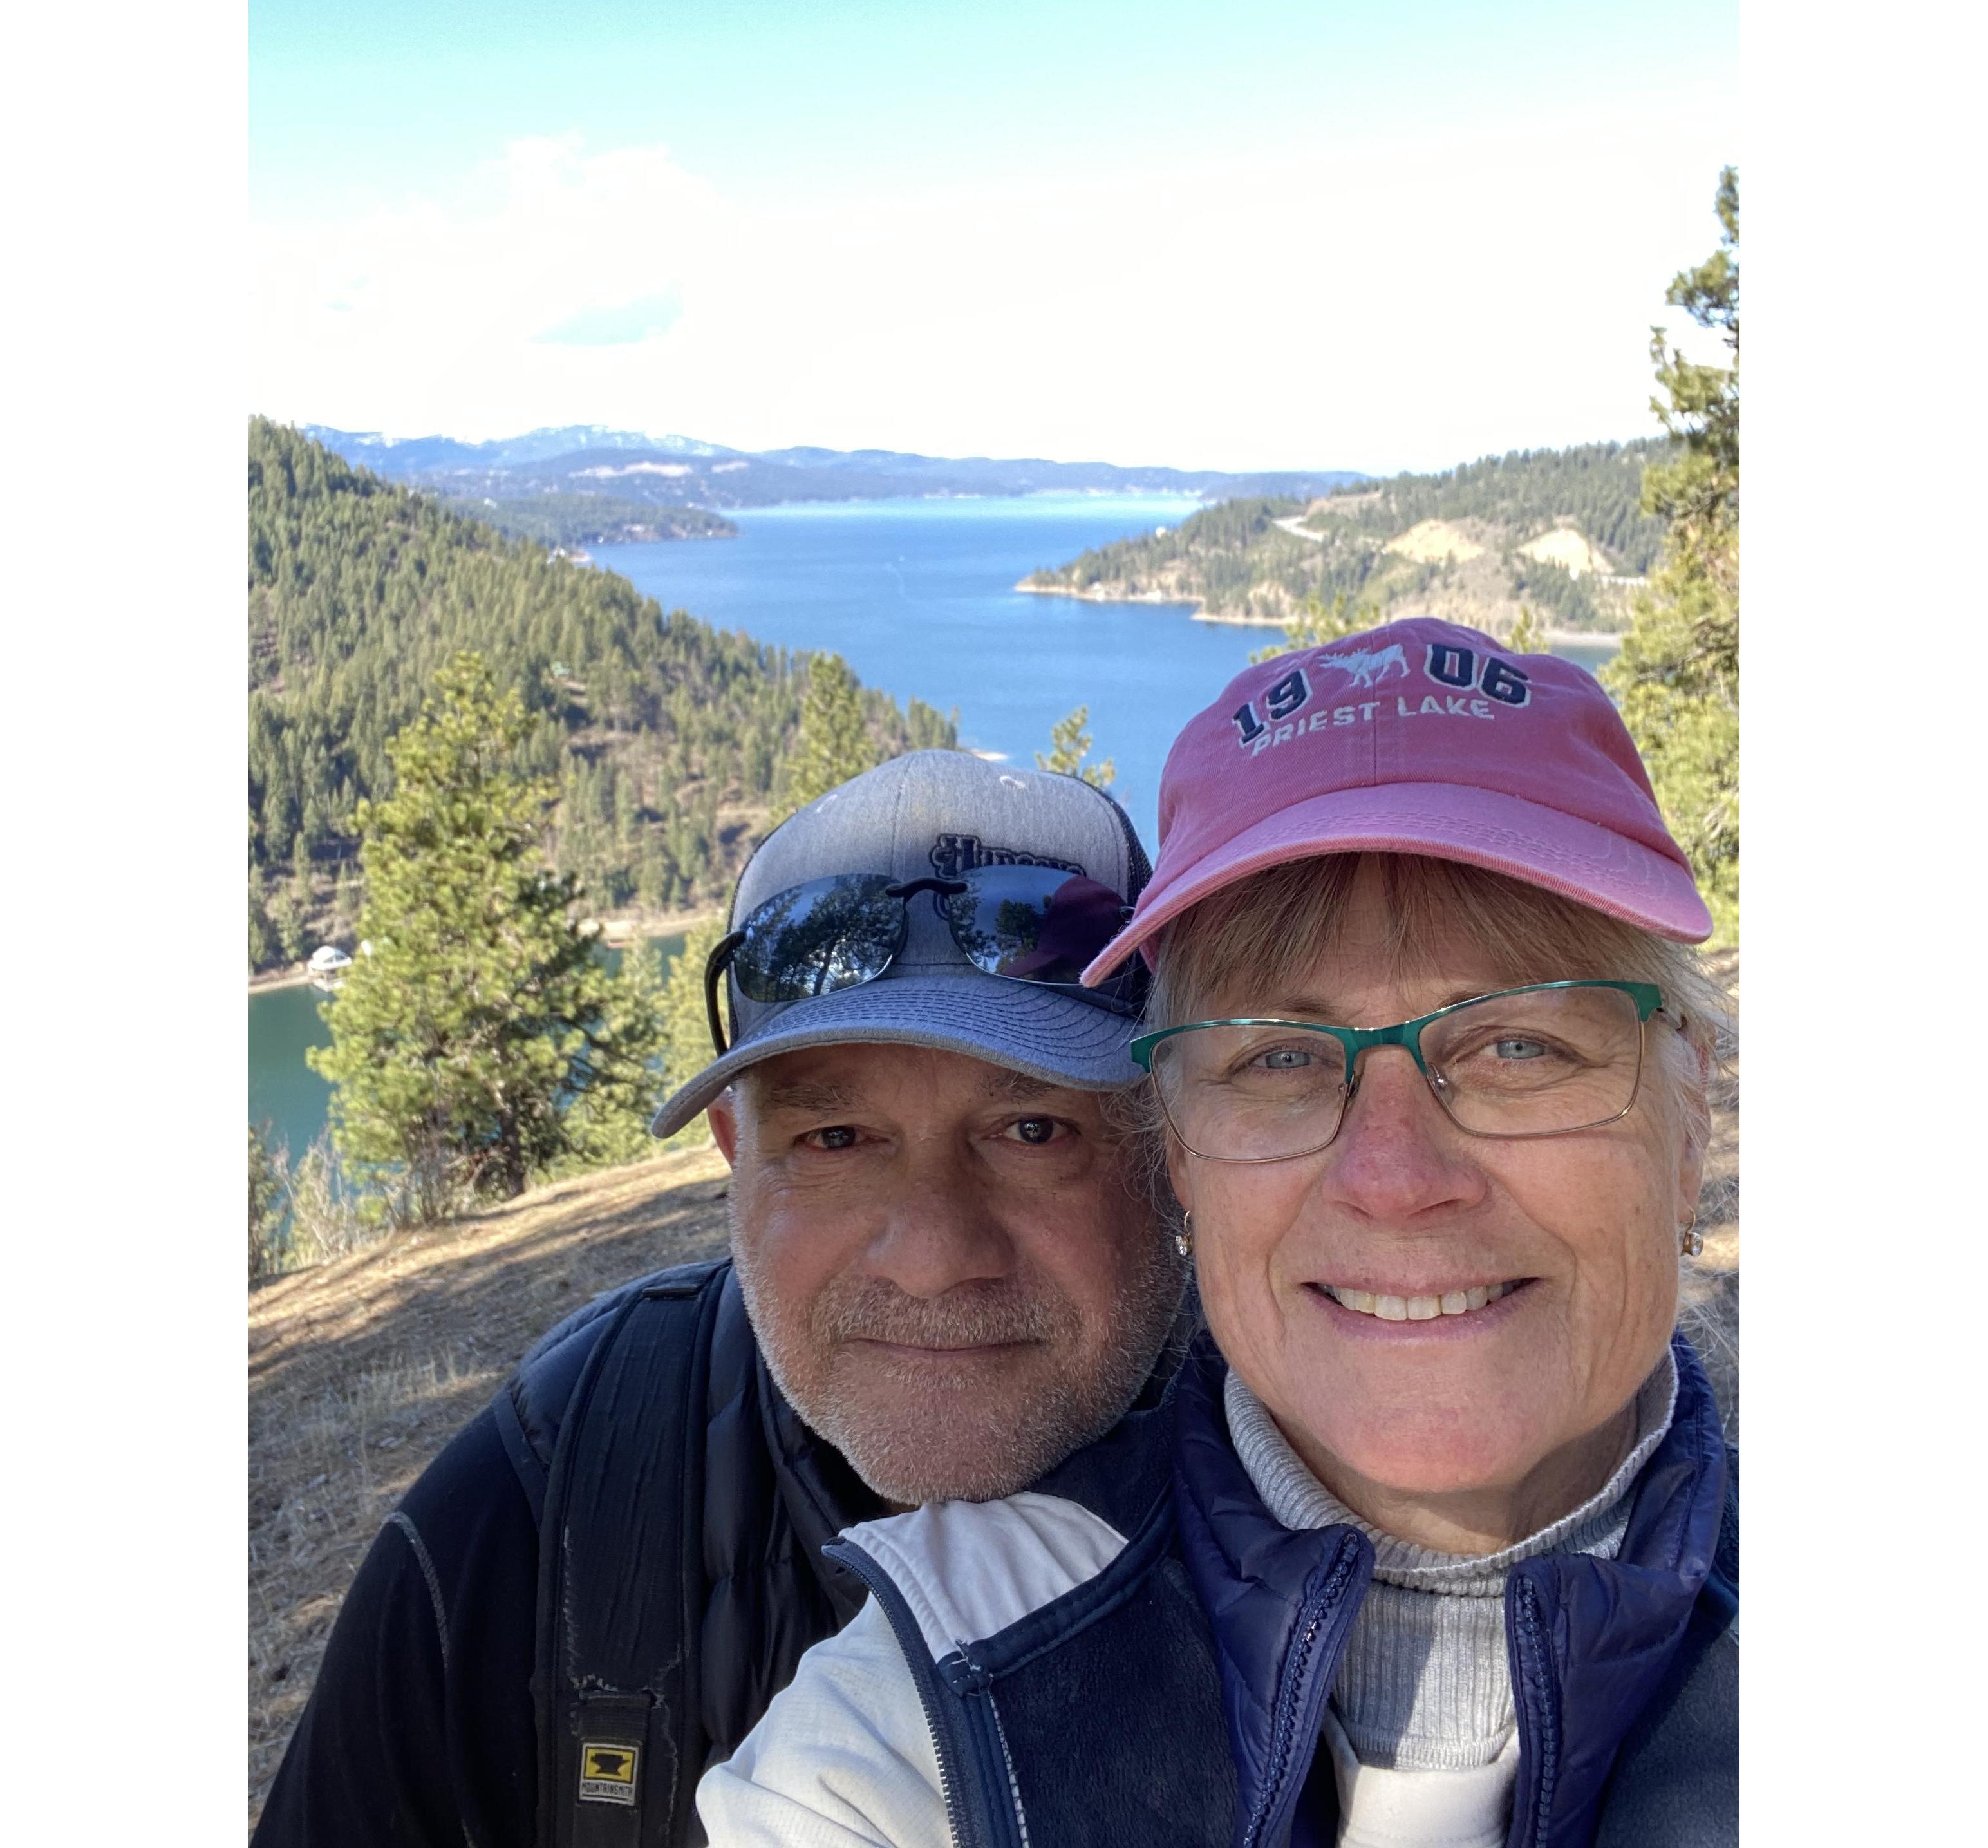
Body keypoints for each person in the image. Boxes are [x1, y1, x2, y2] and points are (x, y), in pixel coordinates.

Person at [699, 618, 1737, 1848]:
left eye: (1520, 1045)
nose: (1395, 1179)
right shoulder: (923, 1721)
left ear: (1689, 1120)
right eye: (1281, 1058)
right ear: (1180, 1154)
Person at [254, 749, 1186, 1848]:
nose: (933, 1256)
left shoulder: (1348, 1501)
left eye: (1034, 1130)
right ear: (735, 1154)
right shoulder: (539, 1513)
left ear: (1171, 1147)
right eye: (835, 1138)